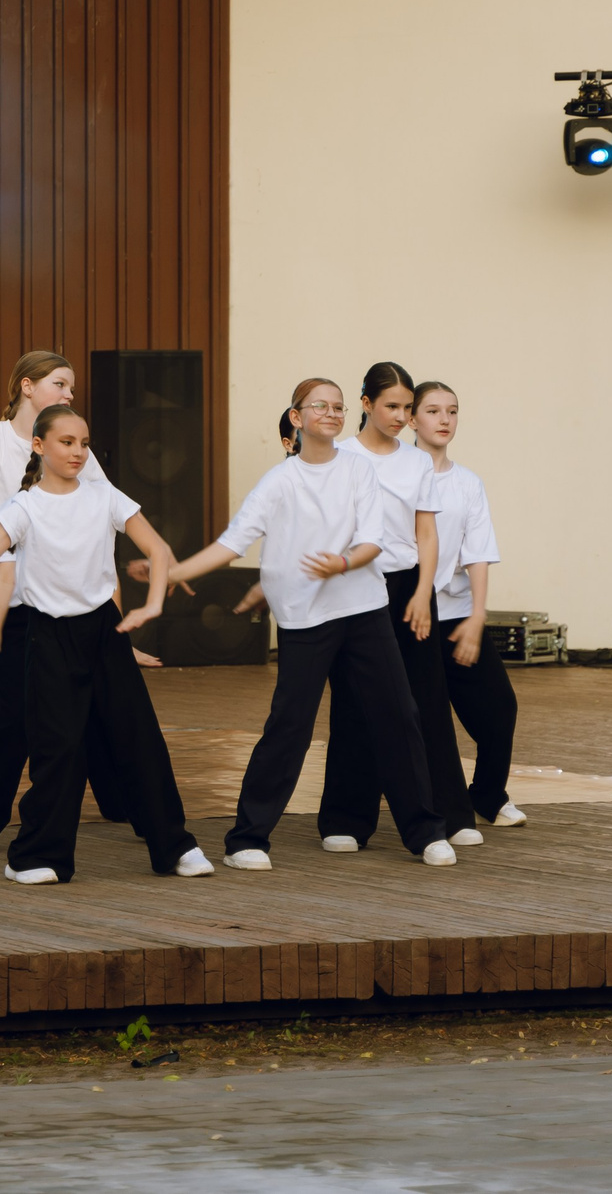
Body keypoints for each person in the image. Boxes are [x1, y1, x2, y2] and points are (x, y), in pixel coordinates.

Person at [0, 406, 211, 884]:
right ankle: (39, 856)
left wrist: (151, 606)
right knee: (58, 749)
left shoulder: (106, 497)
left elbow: (158, 550)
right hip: (48, 635)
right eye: (66, 442)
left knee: (139, 739)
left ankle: (175, 847)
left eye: (83, 443)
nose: (78, 452)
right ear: (39, 446)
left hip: (104, 633)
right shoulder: (23, 507)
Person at [163, 377, 455, 868]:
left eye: (338, 406)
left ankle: (424, 830)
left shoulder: (359, 471)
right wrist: (174, 571)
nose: (332, 413)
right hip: (304, 618)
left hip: (363, 609)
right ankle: (247, 840)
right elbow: (233, 542)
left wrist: (341, 564)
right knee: (290, 725)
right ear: (296, 418)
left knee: (398, 715)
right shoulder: (280, 482)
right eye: (320, 406)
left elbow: (372, 540)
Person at [0, 350, 152, 854]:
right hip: (21, 602)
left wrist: (118, 625)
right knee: (12, 711)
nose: (69, 393)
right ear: (27, 387)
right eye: (59, 383)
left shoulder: (79, 455)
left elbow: (104, 533)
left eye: (70, 387)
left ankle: (138, 810)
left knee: (106, 710)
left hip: (82, 607)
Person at [317, 363, 478, 851]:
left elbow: (425, 533)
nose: (401, 416)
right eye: (392, 406)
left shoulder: (415, 463)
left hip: (409, 585)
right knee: (354, 700)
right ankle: (346, 820)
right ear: (365, 405)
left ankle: (450, 812)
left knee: (426, 700)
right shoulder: (339, 455)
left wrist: (424, 594)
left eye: (408, 408)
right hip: (355, 586)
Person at [407, 381, 522, 827]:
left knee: (500, 709)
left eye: (452, 411)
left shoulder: (468, 483)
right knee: (423, 719)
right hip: (407, 615)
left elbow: (478, 552)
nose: (444, 420)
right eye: (433, 411)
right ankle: (425, 808)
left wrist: (477, 615)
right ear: (412, 418)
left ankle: (488, 796)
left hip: (454, 614)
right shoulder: (398, 474)